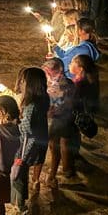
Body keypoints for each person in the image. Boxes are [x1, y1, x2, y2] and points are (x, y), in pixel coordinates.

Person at [12, 68, 50, 215]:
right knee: (22, 172)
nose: (21, 82)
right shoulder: (43, 98)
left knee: (18, 174)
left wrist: (14, 121)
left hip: (26, 146)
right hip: (40, 141)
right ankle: (23, 200)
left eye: (23, 81)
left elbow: (26, 128)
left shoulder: (30, 106)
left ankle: (20, 206)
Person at [42, 58, 75, 188]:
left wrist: (52, 111)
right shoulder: (67, 82)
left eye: (46, 72)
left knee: (54, 146)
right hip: (65, 120)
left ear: (53, 73)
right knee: (64, 143)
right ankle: (67, 169)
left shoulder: (61, 85)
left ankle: (52, 176)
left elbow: (67, 103)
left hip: (59, 121)